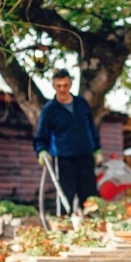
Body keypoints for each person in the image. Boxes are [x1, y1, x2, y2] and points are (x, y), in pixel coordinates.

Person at [34, 69, 103, 214]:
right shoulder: (49, 110)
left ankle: (92, 227)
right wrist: (42, 151)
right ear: (53, 86)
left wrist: (97, 149)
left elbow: (91, 127)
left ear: (70, 84)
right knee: (65, 196)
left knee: (89, 195)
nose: (62, 89)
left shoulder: (82, 103)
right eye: (59, 86)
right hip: (64, 160)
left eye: (65, 85)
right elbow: (41, 136)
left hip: (85, 156)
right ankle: (65, 229)